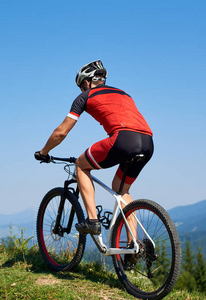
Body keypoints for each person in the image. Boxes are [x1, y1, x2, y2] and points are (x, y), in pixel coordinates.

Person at [35, 60, 154, 236]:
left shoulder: (85, 96)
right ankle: (133, 247)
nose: (81, 90)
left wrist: (44, 152)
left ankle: (92, 221)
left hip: (123, 139)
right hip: (148, 141)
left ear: (86, 82)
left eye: (81, 86)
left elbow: (61, 132)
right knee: (121, 191)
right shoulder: (125, 94)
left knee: (81, 165)